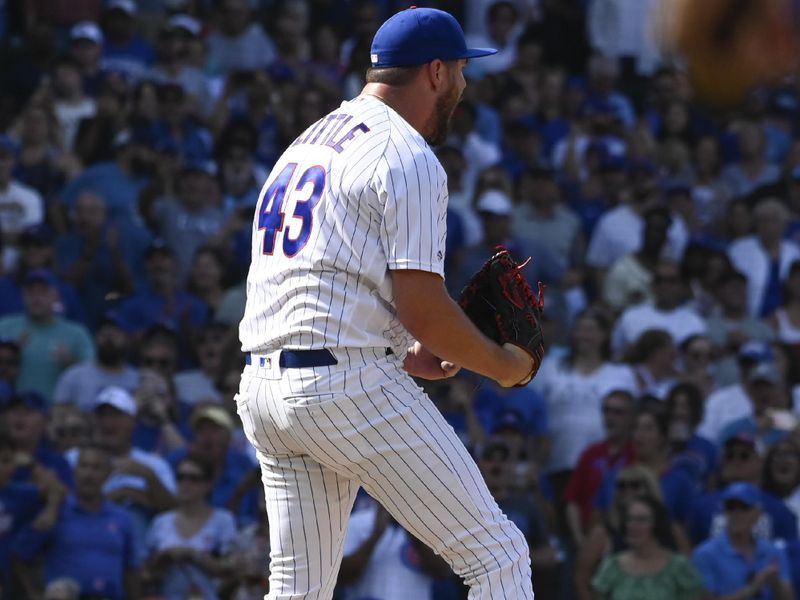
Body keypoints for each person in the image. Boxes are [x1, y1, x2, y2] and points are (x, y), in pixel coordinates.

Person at [236, 7, 539, 599]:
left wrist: (402, 350)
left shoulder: (309, 141)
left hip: (266, 389)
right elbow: (425, 309)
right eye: (460, 70)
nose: (464, 83)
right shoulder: (407, 154)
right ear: (435, 71)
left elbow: (323, 285)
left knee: (298, 589)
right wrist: (504, 367)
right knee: (498, 557)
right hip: (344, 389)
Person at [12, 444, 142, 600]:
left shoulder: (122, 518)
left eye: (96, 468)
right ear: (74, 471)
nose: (88, 474)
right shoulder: (56, 511)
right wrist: (34, 593)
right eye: (83, 466)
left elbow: (131, 569)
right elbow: (19, 555)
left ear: (108, 474)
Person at [144, 456, 237, 600]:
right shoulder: (161, 522)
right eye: (181, 477)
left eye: (194, 479)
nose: (185, 483)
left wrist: (193, 555)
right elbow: (146, 572)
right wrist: (162, 559)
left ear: (208, 484)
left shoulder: (223, 520)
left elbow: (231, 568)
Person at [692, 482, 794, 600]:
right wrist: (752, 588)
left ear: (757, 513)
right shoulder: (705, 554)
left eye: (744, 507)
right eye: (731, 507)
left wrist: (776, 583)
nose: (737, 513)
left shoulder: (773, 552)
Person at [591, 495, 704, 600]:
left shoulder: (678, 567)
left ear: (657, 524)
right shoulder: (612, 566)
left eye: (641, 520)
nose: (633, 525)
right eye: (629, 519)